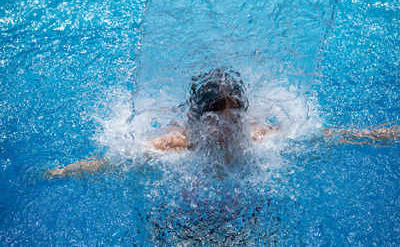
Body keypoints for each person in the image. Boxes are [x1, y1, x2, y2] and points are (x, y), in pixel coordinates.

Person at [46, 67, 400, 178]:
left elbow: (319, 137)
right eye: (218, 112)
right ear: (198, 120)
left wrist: (375, 135)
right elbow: (121, 160)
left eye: (237, 111)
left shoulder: (257, 134)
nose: (230, 123)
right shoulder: (179, 143)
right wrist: (66, 171)